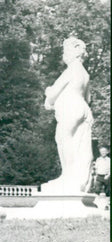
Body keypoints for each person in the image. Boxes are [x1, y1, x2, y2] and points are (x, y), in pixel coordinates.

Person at [41, 36, 95, 193]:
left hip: (71, 108)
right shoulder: (85, 73)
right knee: (79, 143)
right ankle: (78, 178)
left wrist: (48, 92)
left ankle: (69, 176)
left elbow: (53, 92)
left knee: (64, 139)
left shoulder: (71, 70)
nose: (64, 54)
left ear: (75, 52)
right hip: (82, 107)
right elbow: (88, 98)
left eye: (66, 50)